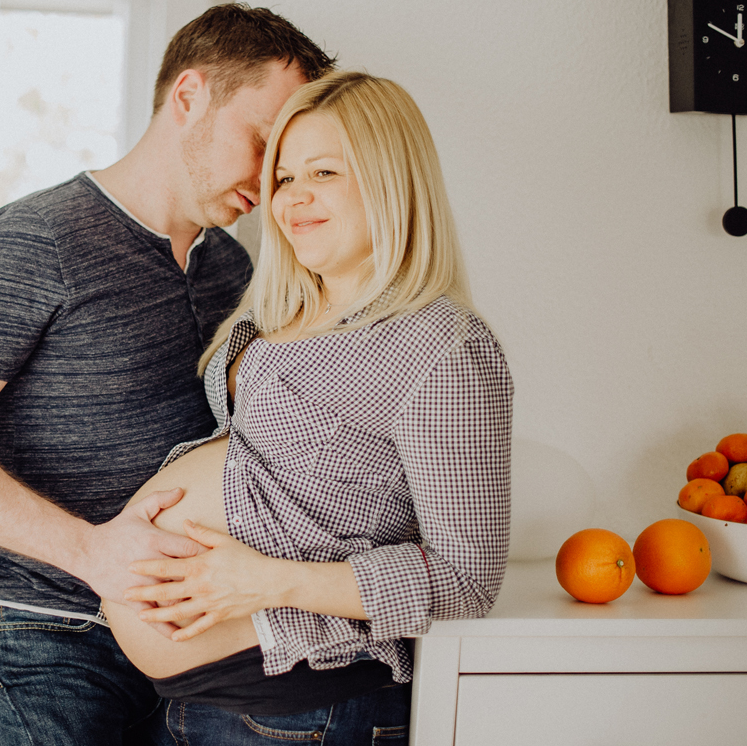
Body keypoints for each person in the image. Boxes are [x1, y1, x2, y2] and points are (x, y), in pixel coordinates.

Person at [0, 4, 335, 745]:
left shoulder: (233, 266)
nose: (273, 175)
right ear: (189, 97)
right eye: (261, 138)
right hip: (49, 631)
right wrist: (94, 554)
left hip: (187, 631)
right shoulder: (39, 237)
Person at [101, 71, 514, 744]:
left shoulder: (441, 347)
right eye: (284, 178)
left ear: (391, 181)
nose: (293, 199)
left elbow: (466, 578)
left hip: (299, 709)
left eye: (323, 172)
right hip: (196, 699)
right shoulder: (279, 313)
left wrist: (263, 581)